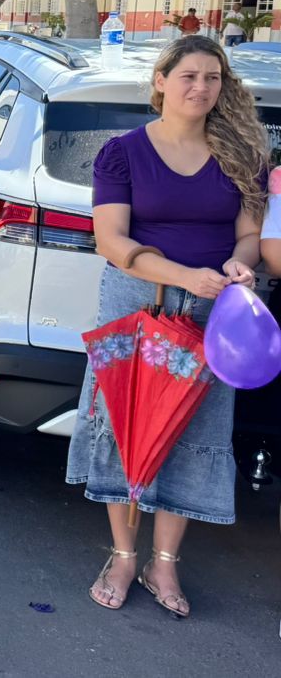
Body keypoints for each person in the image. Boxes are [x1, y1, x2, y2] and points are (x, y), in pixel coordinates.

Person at [72, 35, 267, 618]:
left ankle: (165, 564)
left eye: (212, 78)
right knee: (127, 426)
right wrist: (184, 274)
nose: (200, 88)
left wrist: (241, 263)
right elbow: (111, 240)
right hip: (136, 305)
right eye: (188, 76)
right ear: (160, 81)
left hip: (213, 313)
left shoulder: (242, 153)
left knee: (194, 431)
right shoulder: (123, 152)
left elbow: (249, 234)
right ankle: (123, 555)